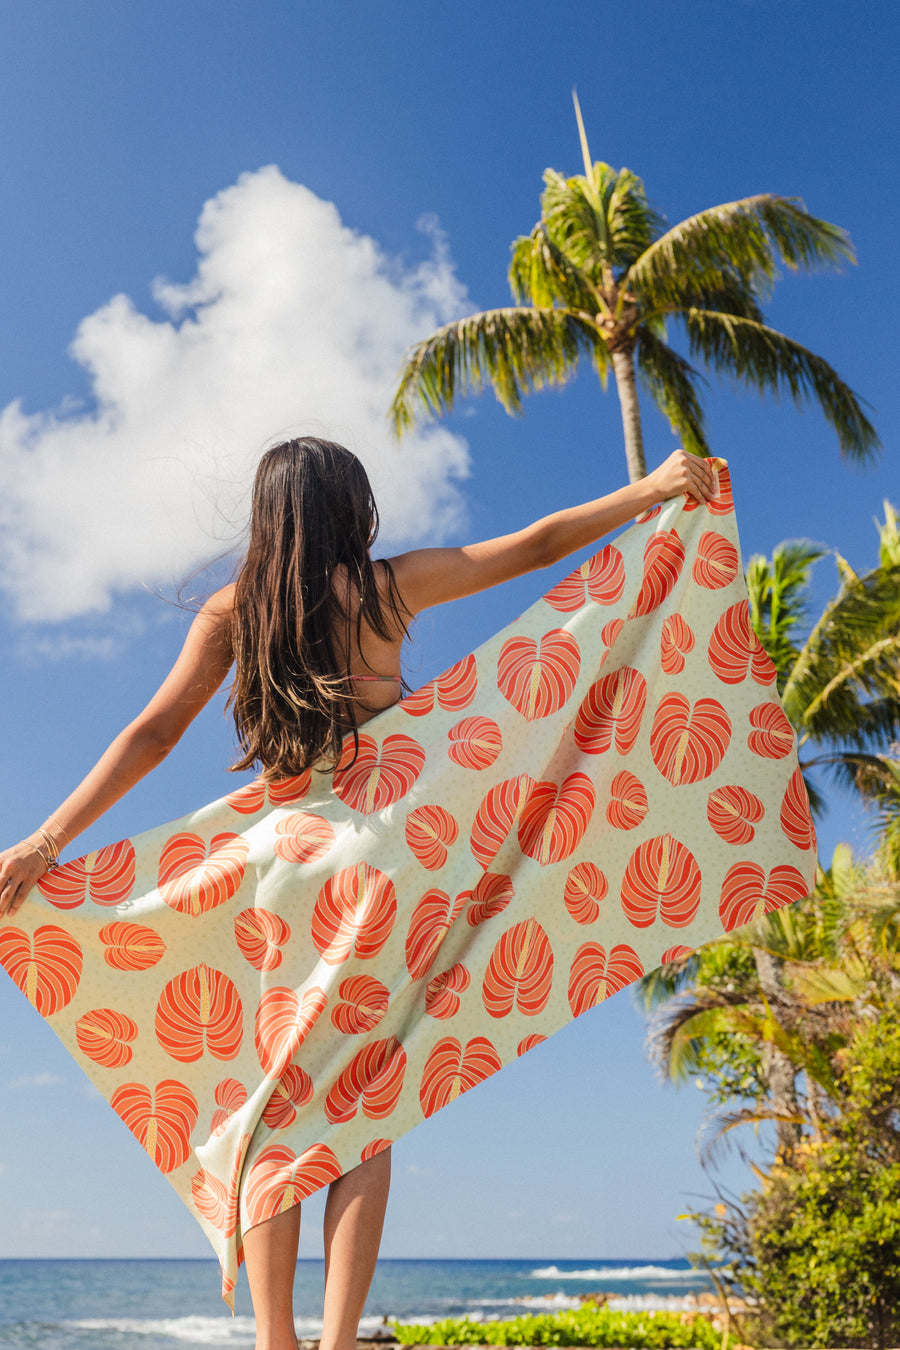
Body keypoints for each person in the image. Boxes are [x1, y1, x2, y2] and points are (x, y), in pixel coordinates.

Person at [0, 436, 715, 1350]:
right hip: (390, 858)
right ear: (353, 508)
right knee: (365, 1107)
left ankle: (275, 1340)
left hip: (285, 866)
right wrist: (650, 490)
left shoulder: (233, 613)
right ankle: (339, 1342)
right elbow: (538, 546)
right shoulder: (382, 587)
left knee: (272, 1108)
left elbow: (153, 731)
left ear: (269, 516)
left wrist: (46, 840)